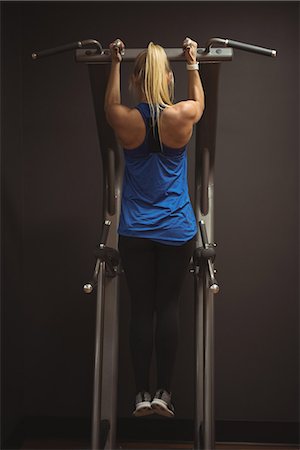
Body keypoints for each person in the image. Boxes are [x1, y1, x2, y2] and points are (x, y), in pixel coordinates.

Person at [104, 37, 205, 418]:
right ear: (166, 78)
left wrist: (114, 62)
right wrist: (193, 62)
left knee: (141, 310)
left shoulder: (124, 119)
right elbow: (200, 101)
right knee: (167, 307)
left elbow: (110, 105)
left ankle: (141, 393)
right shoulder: (182, 116)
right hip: (176, 230)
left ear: (135, 79)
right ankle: (165, 392)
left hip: (135, 232)